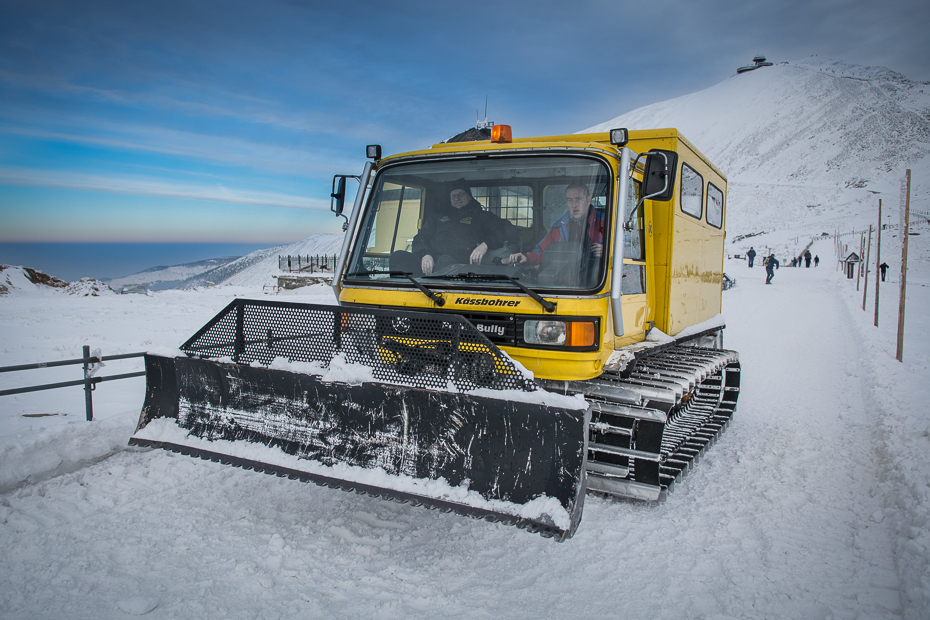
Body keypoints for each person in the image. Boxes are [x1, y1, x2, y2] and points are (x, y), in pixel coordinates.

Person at [390, 181, 517, 276]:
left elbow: (507, 231)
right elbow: (420, 238)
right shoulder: (437, 217)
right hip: (429, 262)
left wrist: (485, 245)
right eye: (453, 195)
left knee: (445, 261)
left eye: (460, 194)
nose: (456, 198)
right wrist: (425, 254)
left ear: (469, 196)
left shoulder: (481, 216)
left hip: (461, 266)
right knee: (398, 256)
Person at [508, 182, 605, 268]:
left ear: (588, 200)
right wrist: (526, 258)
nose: (574, 205)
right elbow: (542, 252)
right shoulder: (559, 227)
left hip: (596, 282)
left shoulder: (605, 223)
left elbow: (619, 256)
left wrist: (607, 253)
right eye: (569, 200)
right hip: (566, 281)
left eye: (578, 199)